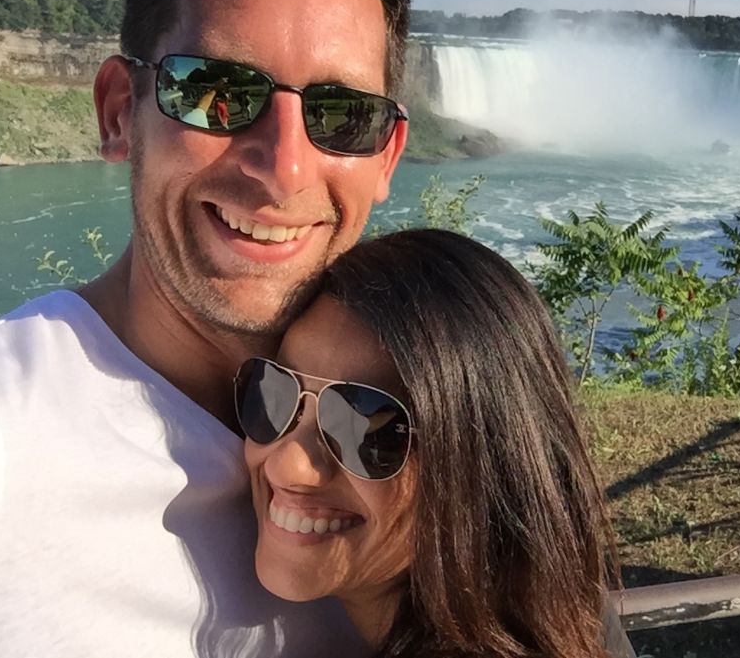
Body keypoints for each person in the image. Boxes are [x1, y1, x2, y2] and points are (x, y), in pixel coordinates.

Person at [0, 0, 410, 657]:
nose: (283, 168)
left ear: (385, 156)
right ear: (120, 111)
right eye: (217, 94)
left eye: (341, 113)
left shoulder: (432, 421)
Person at [237, 229, 633, 658]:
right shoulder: (565, 612)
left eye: (368, 426)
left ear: (485, 463)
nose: (287, 465)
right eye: (275, 393)